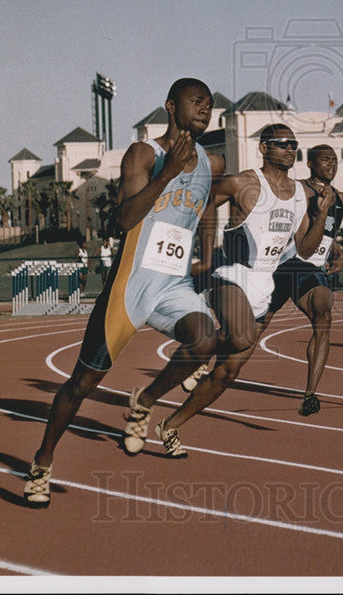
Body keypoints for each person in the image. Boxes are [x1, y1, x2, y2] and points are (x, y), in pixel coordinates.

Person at [23, 78, 223, 507]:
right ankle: (42, 461)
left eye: (210, 104)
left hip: (173, 285)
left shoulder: (212, 162)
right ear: (171, 107)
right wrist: (167, 173)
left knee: (207, 338)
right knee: (81, 385)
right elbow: (124, 219)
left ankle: (145, 401)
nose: (206, 109)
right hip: (130, 288)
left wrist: (206, 254)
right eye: (197, 102)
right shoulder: (144, 154)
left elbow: (206, 213)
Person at [127, 123, 332, 452]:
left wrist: (320, 216)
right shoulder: (243, 182)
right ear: (263, 148)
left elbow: (305, 250)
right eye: (282, 143)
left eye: (294, 144)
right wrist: (206, 253)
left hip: (264, 286)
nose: (290, 149)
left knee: (227, 373)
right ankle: (198, 349)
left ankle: (165, 419)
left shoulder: (299, 195)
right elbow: (204, 200)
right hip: (230, 273)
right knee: (241, 335)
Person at [258, 144, 343, 415]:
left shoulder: (341, 199)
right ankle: (205, 363)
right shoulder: (296, 191)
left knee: (324, 316)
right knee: (252, 331)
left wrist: (337, 250)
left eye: (335, 160)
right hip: (283, 266)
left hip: (311, 270)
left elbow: (327, 234)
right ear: (310, 164)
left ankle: (310, 394)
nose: (331, 165)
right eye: (325, 160)